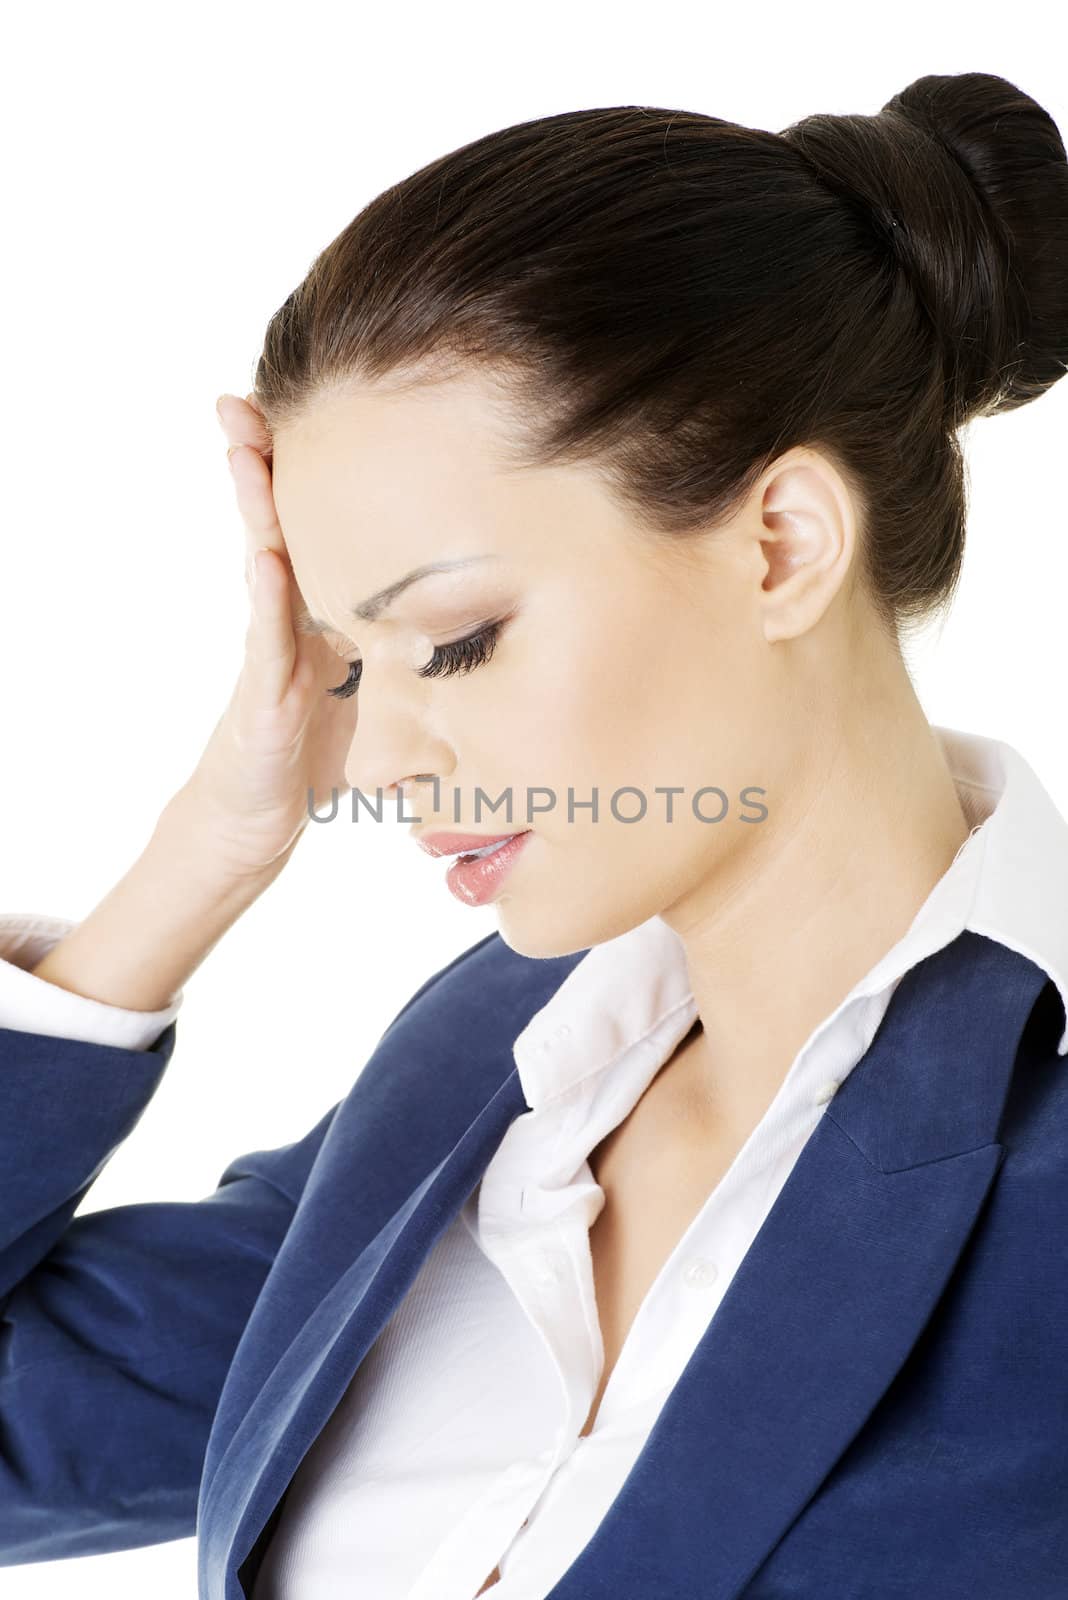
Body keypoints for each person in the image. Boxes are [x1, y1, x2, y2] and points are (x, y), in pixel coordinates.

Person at [2, 68, 1068, 1600]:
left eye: (455, 639)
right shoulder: (483, 1086)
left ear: (781, 546)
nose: (378, 756)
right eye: (346, 665)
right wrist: (199, 856)